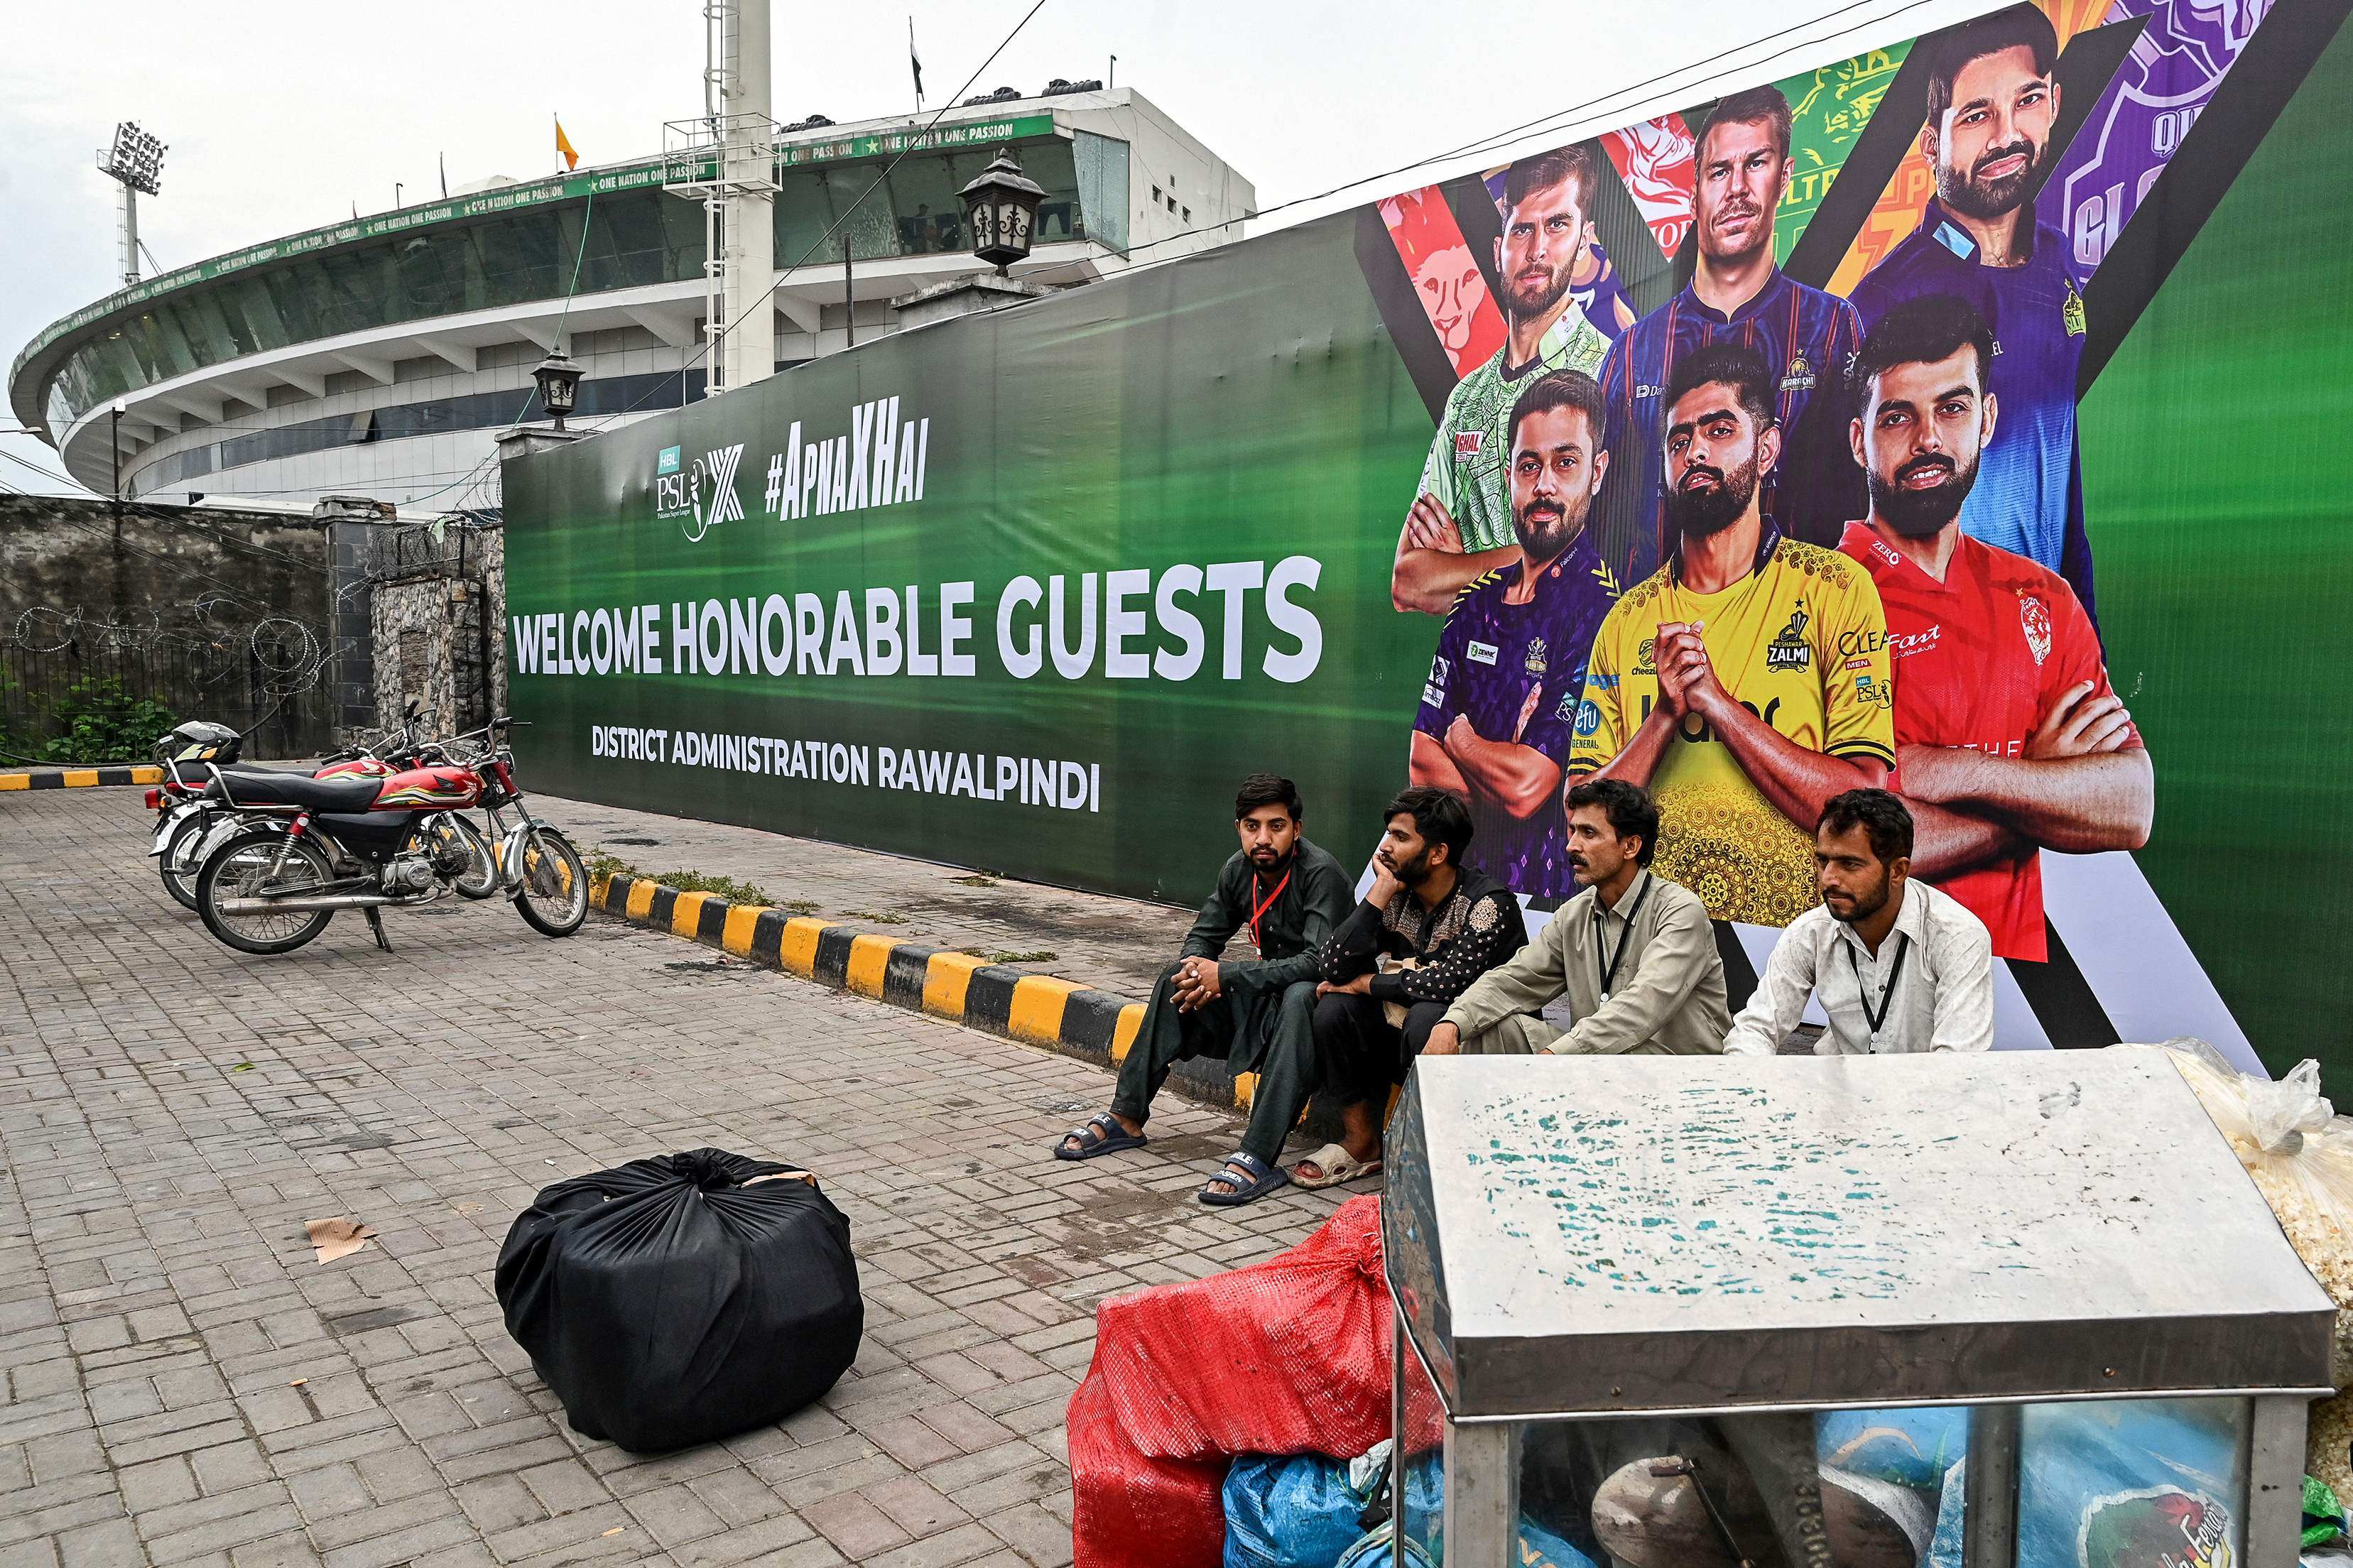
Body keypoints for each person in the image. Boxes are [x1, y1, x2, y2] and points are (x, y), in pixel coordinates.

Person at [1837, 293, 2151, 962]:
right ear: (1859, 439)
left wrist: (1942, 775)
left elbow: (2130, 803)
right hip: (1852, 998)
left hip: (2009, 1002)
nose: (1927, 440)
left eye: (1951, 408)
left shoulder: (2043, 596)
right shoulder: (1813, 600)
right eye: (1898, 417)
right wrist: (2040, 785)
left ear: (1986, 420)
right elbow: (1851, 841)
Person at [1570, 342, 1896, 927]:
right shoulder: (1626, 618)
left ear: (1766, 449)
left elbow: (1862, 809)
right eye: (1677, 441)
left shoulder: (1834, 588)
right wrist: (1664, 717)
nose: (1694, 450)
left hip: (1791, 959)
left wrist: (1717, 706)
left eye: (1720, 430)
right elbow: (1580, 823)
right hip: (1648, 951)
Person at [1848, 5, 2097, 616]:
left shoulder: (2057, 267)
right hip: (1934, 652)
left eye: (2027, 101)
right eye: (1977, 115)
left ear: (2055, 104)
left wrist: (2085, 639)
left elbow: (2062, 472)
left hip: (2048, 637)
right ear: (1933, 142)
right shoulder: (1877, 302)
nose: (2005, 135)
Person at [1592, 85, 1867, 587]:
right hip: (1659, 638)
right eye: (1719, 171)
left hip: (1794, 637)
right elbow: (1600, 519)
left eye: (1755, 164)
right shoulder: (1632, 354)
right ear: (1694, 193)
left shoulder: (1829, 328)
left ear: (1784, 176)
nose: (1736, 188)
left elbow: (1857, 500)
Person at [1050, 773, 1354, 1204]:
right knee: (1173, 976)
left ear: (1297, 829)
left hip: (1323, 1022)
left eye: (1276, 826)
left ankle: (1259, 1154)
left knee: (1301, 992)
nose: (1263, 838)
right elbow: (1204, 935)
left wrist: (1225, 975)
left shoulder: (1320, 874)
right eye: (1252, 827)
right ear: (1239, 829)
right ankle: (1127, 1116)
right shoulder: (1239, 869)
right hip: (1268, 1006)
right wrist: (1196, 969)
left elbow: (1316, 963)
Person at [1411, 371, 1621, 898]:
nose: (1544, 485)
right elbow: (1421, 764)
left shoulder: (1599, 610)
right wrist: (1500, 760)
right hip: (1461, 894)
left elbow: (1529, 789)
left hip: (1547, 903)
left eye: (1564, 463)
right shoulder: (1476, 600)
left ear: (1596, 473)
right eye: (1529, 466)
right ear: (1508, 475)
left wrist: (1461, 738)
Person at [1393, 146, 1615, 614]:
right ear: (1499, 250)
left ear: (1582, 242)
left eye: (1557, 226)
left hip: (1567, 679)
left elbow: (1605, 563)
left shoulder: (1611, 371)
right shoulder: (1467, 398)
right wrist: (1535, 562)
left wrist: (1460, 567)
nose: (1536, 251)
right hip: (1474, 680)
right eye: (1522, 229)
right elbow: (1409, 581)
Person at [1277, 788, 1526, 1191]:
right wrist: (1379, 892)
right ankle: (1361, 1145)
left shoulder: (1488, 903)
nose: (1385, 847)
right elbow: (1332, 966)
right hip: (1405, 1039)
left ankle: (1436, 1156)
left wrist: (1367, 983)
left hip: (1477, 1045)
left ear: (1438, 853)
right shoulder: (1396, 895)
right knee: (1333, 1009)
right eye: (1388, 834)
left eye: (1400, 837)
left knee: (1429, 1015)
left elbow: (1448, 983)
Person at [1421, 779, 1729, 1056]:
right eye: (1573, 831)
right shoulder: (1574, 914)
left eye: (1589, 833)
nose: (1571, 846)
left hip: (1676, 1073)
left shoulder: (1680, 911)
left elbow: (1644, 1006)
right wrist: (1453, 1023)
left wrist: (1558, 1055)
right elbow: (1512, 980)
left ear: (1631, 846)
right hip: (1598, 1064)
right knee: (1488, 1030)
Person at [1724, 788, 1995, 1055]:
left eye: (1850, 864)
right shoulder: (1811, 932)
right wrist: (1749, 1087)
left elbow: (1957, 1064)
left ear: (1897, 871)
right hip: (1837, 1091)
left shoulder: (1957, 935)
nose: (1829, 878)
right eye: (1823, 860)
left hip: (1924, 1093)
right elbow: (1755, 1031)